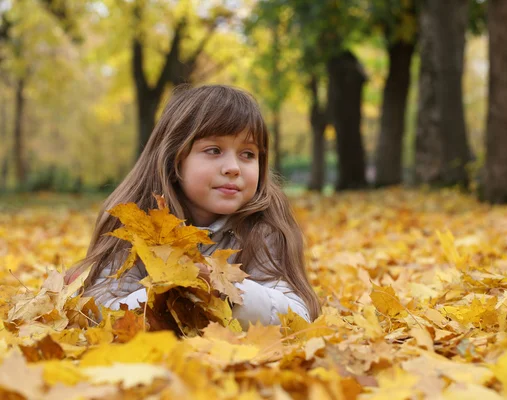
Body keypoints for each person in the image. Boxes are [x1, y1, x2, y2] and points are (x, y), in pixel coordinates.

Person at [65, 84, 320, 329]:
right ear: (175, 160)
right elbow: (100, 308)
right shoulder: (135, 222)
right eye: (214, 150)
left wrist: (226, 288)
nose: (233, 167)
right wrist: (169, 289)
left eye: (248, 154)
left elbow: (296, 317)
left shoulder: (264, 227)